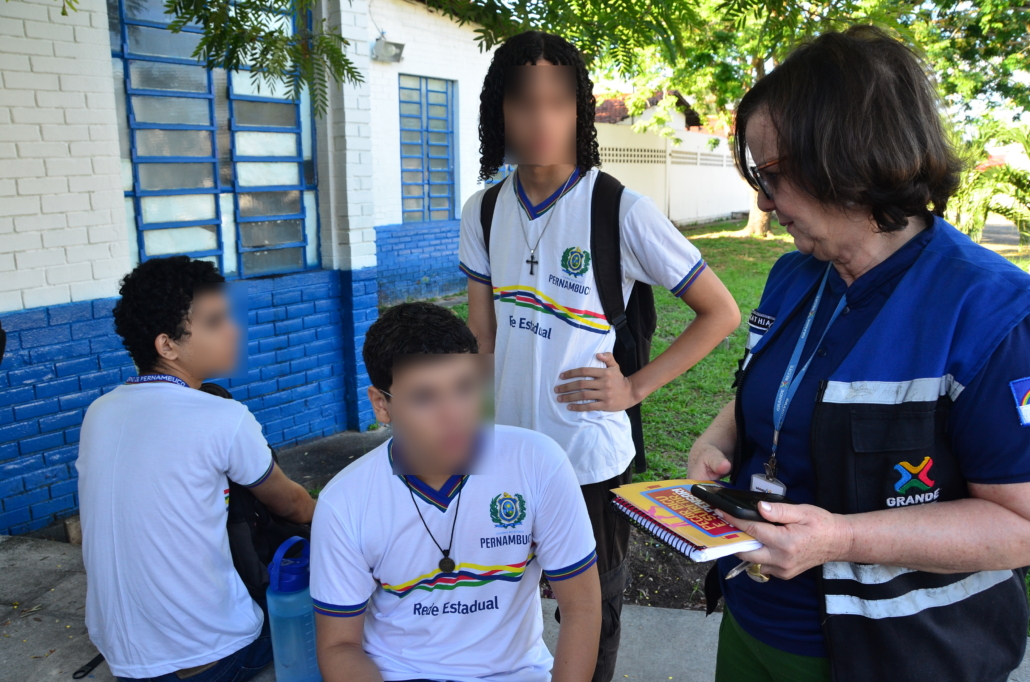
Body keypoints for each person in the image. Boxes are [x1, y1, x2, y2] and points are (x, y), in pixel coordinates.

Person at [686, 26, 1030, 682]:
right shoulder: (794, 275)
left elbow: (1021, 524)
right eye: (758, 176)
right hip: (754, 621)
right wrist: (719, 433)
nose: (762, 201)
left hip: (900, 655)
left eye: (774, 175)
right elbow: (781, 387)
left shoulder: (990, 311)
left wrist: (841, 540)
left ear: (849, 160)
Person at [459, 30, 741, 681]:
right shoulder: (483, 212)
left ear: (580, 111)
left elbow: (721, 312)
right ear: (499, 111)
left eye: (559, 103)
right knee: (503, 595)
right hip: (507, 451)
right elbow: (482, 337)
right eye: (524, 103)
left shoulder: (619, 209)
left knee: (593, 611)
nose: (542, 121)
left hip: (588, 457)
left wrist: (634, 388)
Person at [311, 302, 601, 682]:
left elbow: (582, 606)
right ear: (382, 405)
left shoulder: (537, 463)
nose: (454, 416)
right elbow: (339, 645)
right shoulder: (344, 502)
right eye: (424, 397)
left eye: (465, 388)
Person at [77, 257, 315, 682]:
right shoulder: (222, 416)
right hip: (212, 659)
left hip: (123, 661)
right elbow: (293, 505)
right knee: (337, 600)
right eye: (214, 322)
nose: (234, 329)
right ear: (167, 346)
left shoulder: (99, 412)